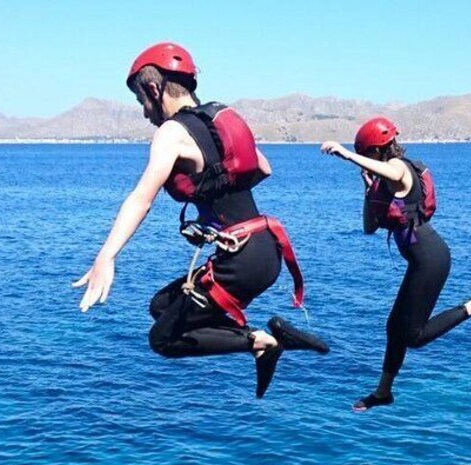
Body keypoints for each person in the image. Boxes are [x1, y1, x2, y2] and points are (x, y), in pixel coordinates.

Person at [74, 42, 328, 398]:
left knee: (163, 339)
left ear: (153, 88)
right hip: (263, 249)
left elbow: (141, 199)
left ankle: (265, 342)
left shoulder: (172, 132)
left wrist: (106, 255)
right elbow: (263, 168)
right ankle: (261, 341)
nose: (146, 114)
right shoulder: (216, 121)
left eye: (141, 102)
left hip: (242, 261)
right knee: (161, 306)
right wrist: (218, 210)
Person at [321, 117, 471, 411]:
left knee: (413, 336)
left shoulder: (400, 167)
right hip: (422, 260)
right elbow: (368, 228)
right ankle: (383, 392)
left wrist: (347, 155)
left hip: (431, 259)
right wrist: (367, 192)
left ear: (375, 151)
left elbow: (391, 170)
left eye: (366, 155)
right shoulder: (384, 180)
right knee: (393, 328)